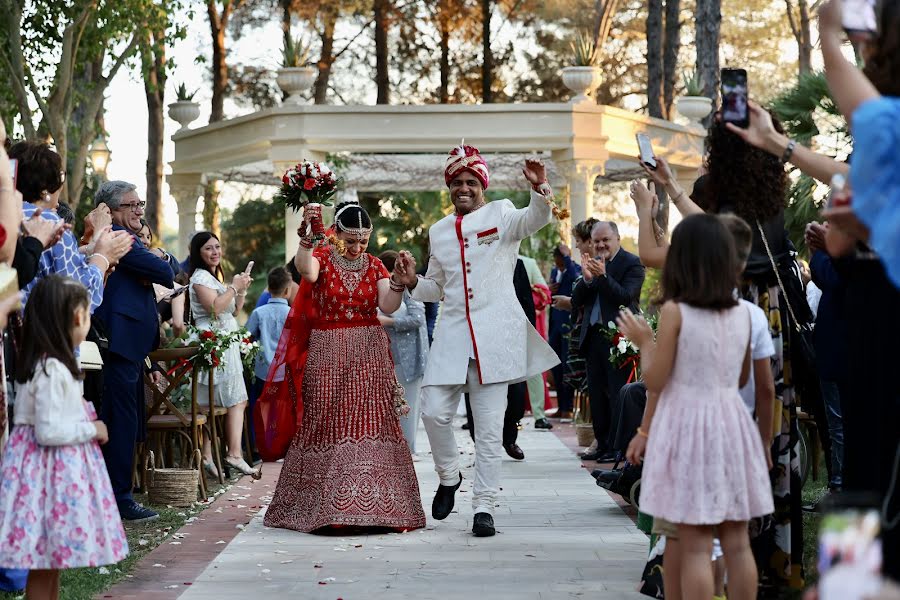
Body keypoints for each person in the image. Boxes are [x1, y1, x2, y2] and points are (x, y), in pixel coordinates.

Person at [392, 145, 559, 537]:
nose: (463, 188)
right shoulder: (437, 231)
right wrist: (413, 280)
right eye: (457, 183)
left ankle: (484, 507)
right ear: (449, 187)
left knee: (487, 429)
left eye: (471, 182)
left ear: (482, 186)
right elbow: (435, 287)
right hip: (451, 337)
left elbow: (535, 219)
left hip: (495, 339)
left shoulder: (501, 213)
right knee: (432, 413)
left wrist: (540, 188)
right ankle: (449, 476)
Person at [622, 214, 774, 600]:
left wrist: (643, 340)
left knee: (694, 544)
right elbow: (742, 379)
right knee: (737, 542)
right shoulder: (743, 313)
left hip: (689, 426)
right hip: (733, 423)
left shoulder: (676, 311)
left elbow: (655, 379)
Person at [262, 200, 425, 533]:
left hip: (369, 352)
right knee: (326, 421)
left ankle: (374, 508)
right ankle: (325, 508)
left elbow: (388, 305)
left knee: (368, 422)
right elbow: (305, 270)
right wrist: (307, 238)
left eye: (363, 241)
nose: (357, 248)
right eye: (351, 240)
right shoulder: (323, 259)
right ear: (336, 234)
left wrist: (397, 280)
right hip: (328, 350)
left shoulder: (375, 265)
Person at [0, 275, 128, 599]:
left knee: (51, 559)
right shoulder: (50, 370)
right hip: (45, 477)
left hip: (51, 475)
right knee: (43, 560)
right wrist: (92, 429)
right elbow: (48, 431)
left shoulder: (54, 364)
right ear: (75, 317)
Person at [93, 180, 175, 523]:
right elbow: (165, 273)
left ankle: (118, 496)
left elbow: (162, 268)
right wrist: (159, 258)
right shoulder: (118, 237)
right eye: (131, 205)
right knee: (122, 422)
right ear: (110, 210)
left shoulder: (123, 236)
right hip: (120, 343)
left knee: (125, 421)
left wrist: (158, 257)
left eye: (140, 203)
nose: (139, 210)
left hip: (129, 345)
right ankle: (121, 499)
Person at [9, 141, 132, 310]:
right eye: (60, 176)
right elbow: (77, 301)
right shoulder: (50, 223)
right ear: (45, 188)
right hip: (37, 334)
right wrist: (102, 258)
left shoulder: (8, 217)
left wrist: (91, 249)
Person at [570, 221, 645, 463]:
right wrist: (588, 279)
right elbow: (576, 300)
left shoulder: (631, 263)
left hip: (620, 340)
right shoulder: (591, 263)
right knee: (597, 396)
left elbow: (625, 297)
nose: (600, 245)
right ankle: (602, 444)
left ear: (617, 239)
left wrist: (603, 277)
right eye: (596, 241)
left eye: (605, 240)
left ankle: (617, 447)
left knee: (617, 394)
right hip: (593, 339)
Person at [188, 231, 257, 477]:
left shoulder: (213, 277)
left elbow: (233, 311)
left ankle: (208, 454)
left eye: (217, 247)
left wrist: (241, 290)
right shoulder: (199, 277)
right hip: (214, 342)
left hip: (226, 341)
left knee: (221, 400)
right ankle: (234, 454)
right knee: (235, 399)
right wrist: (233, 286)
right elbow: (215, 309)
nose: (215, 251)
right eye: (209, 248)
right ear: (198, 252)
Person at [378, 251, 429, 454]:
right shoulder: (381, 290)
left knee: (408, 405)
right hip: (387, 356)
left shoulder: (407, 289)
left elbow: (418, 319)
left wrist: (387, 322)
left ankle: (407, 449)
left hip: (409, 358)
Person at [245, 267, 293, 459]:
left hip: (262, 368)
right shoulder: (292, 313)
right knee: (283, 408)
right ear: (288, 290)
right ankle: (282, 446)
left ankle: (259, 448)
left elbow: (247, 337)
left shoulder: (258, 313)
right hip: (284, 370)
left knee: (260, 407)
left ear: (268, 288)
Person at [518, 253, 554, 429]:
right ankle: (507, 415)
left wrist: (528, 300)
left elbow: (544, 292)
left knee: (534, 369)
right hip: (499, 325)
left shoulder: (528, 262)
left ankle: (539, 415)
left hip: (527, 325)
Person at [548, 244, 581, 419]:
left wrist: (568, 259)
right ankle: (561, 406)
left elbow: (577, 281)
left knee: (568, 366)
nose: (558, 263)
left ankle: (568, 407)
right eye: (557, 260)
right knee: (556, 367)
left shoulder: (574, 269)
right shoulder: (554, 272)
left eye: (561, 260)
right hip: (554, 326)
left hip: (568, 325)